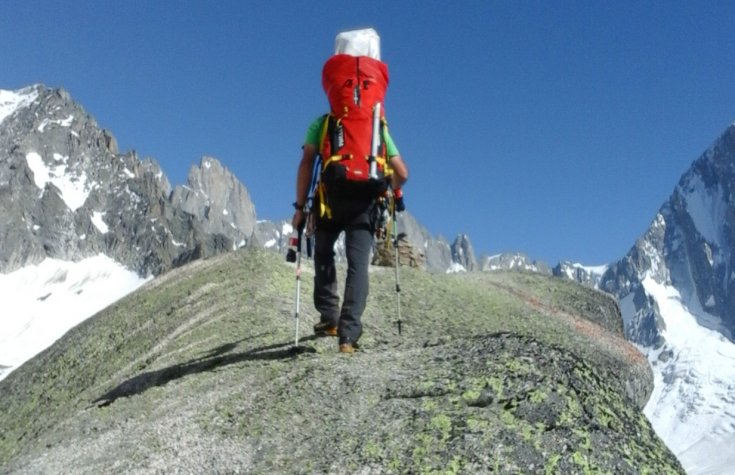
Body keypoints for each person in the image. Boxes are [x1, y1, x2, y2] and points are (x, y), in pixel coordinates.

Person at [292, 115, 408, 353]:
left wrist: (300, 208)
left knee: (323, 252)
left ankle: (330, 318)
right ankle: (348, 337)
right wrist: (389, 188)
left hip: (331, 200)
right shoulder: (377, 125)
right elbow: (402, 173)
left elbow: (306, 162)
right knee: (358, 265)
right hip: (365, 205)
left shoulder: (323, 123)